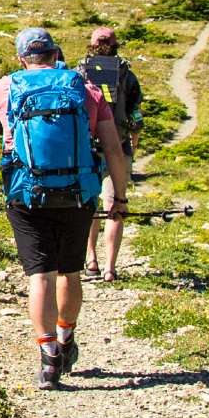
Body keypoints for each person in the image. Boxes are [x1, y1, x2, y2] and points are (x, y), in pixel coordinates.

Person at [0, 26, 133, 390]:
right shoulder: (84, 88)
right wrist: (119, 198)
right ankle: (66, 339)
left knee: (39, 274)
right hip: (77, 193)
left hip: (26, 192)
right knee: (69, 272)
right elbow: (113, 149)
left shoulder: (8, 85)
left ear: (21, 59)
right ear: (56, 54)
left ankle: (47, 360)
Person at [79, 26, 143, 282]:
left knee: (89, 205)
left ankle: (91, 259)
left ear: (91, 45)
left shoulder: (79, 73)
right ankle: (110, 267)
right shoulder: (127, 75)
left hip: (88, 148)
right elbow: (136, 116)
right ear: (116, 45)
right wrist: (133, 146)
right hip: (120, 145)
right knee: (117, 204)